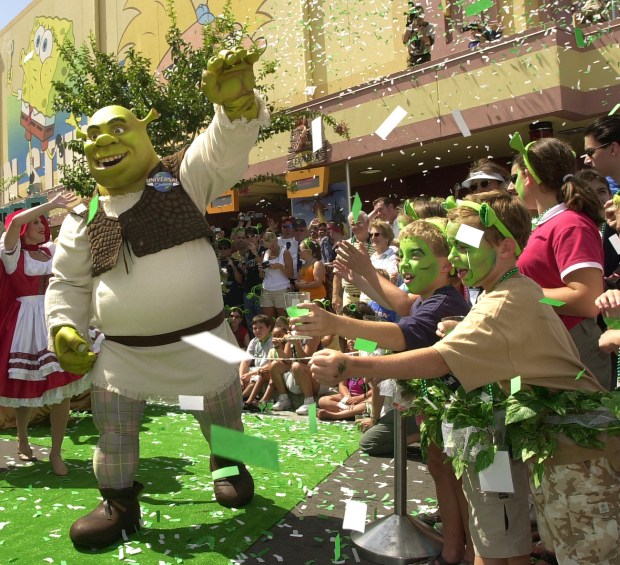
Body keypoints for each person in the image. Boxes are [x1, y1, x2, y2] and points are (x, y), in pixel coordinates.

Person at [308, 191, 619, 565]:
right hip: (559, 449)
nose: (455, 258)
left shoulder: (504, 299)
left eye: (464, 246)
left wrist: (351, 366)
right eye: (453, 246)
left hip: (577, 455)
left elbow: (438, 360)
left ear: (505, 247)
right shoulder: (505, 291)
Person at [45, 47, 269, 548]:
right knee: (115, 433)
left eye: (118, 128)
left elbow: (221, 152)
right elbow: (69, 283)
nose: (102, 140)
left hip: (206, 337)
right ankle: (119, 504)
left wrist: (233, 110)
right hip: (126, 355)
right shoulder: (82, 219)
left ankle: (228, 463)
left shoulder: (182, 179)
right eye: (92, 135)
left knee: (224, 418)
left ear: (146, 132)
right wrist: (64, 326)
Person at [294, 218, 473, 565]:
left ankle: (465, 550)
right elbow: (402, 303)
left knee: (455, 475)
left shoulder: (444, 304)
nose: (404, 265)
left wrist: (336, 324)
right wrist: (362, 273)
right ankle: (454, 547)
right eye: (402, 257)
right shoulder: (428, 298)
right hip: (439, 410)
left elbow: (401, 335)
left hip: (460, 411)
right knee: (439, 466)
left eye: (415, 256)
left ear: (446, 264)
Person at [0, 192, 88, 476]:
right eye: (35, 222)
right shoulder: (11, 252)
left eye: (43, 222)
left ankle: (56, 453)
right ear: (24, 228)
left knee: (61, 390)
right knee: (27, 388)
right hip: (24, 324)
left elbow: (78, 236)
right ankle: (23, 440)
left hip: (53, 317)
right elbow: (12, 226)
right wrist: (51, 205)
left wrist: (82, 208)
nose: (41, 225)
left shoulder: (51, 249)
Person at [512, 137, 610, 389]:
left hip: (575, 346)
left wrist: (526, 295)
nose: (512, 188)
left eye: (515, 178)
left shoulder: (570, 224)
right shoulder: (550, 223)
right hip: (556, 344)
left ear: (528, 176)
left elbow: (587, 301)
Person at [332, 211, 373, 313]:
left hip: (371, 296)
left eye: (359, 223)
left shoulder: (377, 242)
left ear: (367, 222)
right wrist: (335, 295)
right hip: (349, 297)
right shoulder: (345, 245)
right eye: (353, 224)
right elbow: (337, 272)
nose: (356, 227)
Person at [259, 230, 293, 319]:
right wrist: (260, 270)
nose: (271, 247)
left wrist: (280, 267)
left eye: (273, 244)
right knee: (267, 319)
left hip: (281, 289)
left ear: (276, 241)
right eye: (268, 245)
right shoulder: (264, 253)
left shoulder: (285, 252)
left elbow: (291, 274)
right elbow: (262, 276)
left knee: (283, 319)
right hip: (266, 289)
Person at [239, 314, 274, 401]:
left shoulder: (272, 341)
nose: (257, 331)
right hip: (255, 369)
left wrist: (249, 375)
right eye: (255, 328)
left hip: (266, 370)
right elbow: (246, 360)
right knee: (238, 375)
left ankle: (240, 401)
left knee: (254, 380)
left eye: (261, 327)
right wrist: (241, 377)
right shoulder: (254, 341)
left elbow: (271, 364)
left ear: (269, 327)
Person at [402, 3, 435, 68]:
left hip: (424, 57)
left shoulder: (429, 27)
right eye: (416, 16)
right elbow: (404, 40)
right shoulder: (410, 27)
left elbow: (428, 42)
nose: (419, 18)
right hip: (412, 59)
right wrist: (409, 25)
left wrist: (417, 30)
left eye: (420, 15)